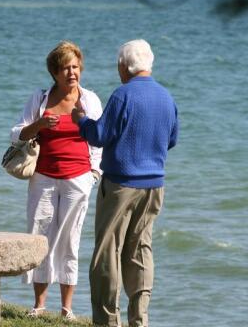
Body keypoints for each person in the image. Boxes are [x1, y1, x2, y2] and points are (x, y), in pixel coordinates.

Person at [71, 39, 179, 327]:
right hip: (155, 185)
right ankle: (139, 319)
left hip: (120, 184)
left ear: (124, 65)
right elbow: (172, 139)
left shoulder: (123, 95)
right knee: (141, 249)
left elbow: (99, 136)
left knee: (108, 252)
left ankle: (107, 320)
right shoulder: (167, 97)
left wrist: (81, 120)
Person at [10, 41, 103, 321]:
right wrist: (39, 125)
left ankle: (67, 309)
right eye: (65, 68)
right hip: (43, 178)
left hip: (78, 179)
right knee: (40, 237)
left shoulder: (89, 100)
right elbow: (16, 134)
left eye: (75, 67)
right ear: (55, 73)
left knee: (70, 241)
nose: (72, 73)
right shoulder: (40, 99)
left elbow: (99, 140)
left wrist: (93, 174)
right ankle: (39, 305)